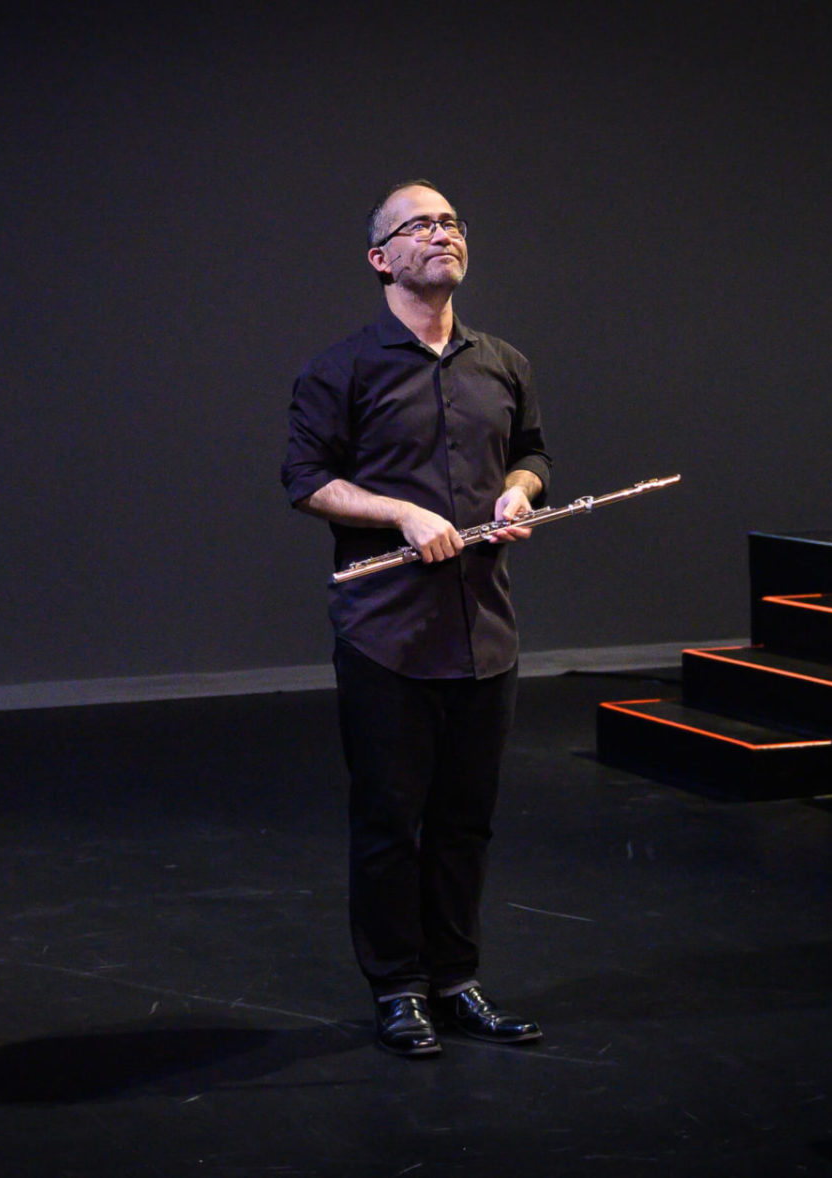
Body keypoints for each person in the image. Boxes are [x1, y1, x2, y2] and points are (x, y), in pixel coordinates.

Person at [282, 180, 552, 1057]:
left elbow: (533, 452)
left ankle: (457, 979)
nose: (442, 235)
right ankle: (398, 989)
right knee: (390, 822)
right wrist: (401, 512)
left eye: (451, 223)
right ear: (381, 258)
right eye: (420, 226)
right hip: (386, 635)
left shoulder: (502, 362)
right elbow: (306, 479)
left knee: (467, 820)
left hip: (486, 631)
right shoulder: (339, 369)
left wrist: (518, 491)